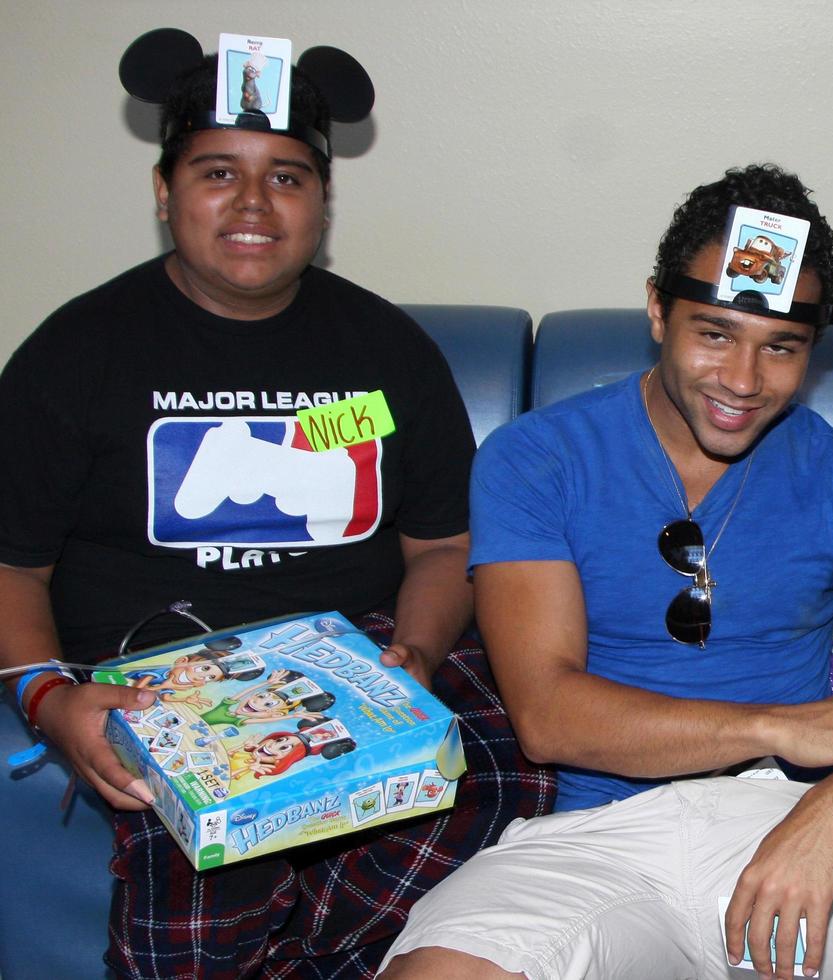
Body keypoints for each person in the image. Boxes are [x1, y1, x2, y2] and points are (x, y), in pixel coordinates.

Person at [379, 165, 833, 980]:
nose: (743, 382)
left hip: (800, 825)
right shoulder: (539, 458)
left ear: (813, 351)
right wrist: (785, 727)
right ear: (656, 308)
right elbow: (549, 713)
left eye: (780, 348)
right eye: (713, 334)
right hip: (602, 843)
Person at [0, 29, 552, 977]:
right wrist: (50, 699)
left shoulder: (385, 351)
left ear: (324, 202)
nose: (254, 203)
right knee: (213, 887)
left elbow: (441, 545)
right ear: (165, 191)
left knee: (514, 766)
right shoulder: (74, 353)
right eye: (219, 171)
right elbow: (11, 566)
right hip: (162, 675)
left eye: (288, 177)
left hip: (360, 646)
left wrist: (413, 656)